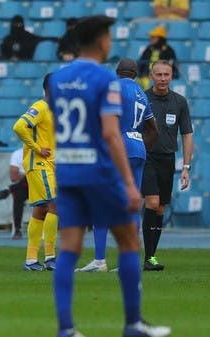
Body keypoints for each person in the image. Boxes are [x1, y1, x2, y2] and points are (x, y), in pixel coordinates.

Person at [48, 15, 170, 337]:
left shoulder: (58, 79)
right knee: (129, 240)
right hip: (99, 170)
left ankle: (66, 329)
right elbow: (111, 133)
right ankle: (133, 324)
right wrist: (129, 183)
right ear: (103, 41)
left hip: (68, 169)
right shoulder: (106, 81)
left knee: (69, 246)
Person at [76, 58, 159, 273]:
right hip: (138, 148)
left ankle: (99, 261)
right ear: (135, 72)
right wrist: (139, 145)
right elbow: (154, 130)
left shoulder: (114, 88)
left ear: (116, 72)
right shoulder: (142, 93)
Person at [142, 59, 193, 271]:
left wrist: (186, 167)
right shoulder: (143, 99)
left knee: (161, 208)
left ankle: (150, 257)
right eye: (159, 75)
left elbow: (187, 135)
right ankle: (147, 257)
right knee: (152, 203)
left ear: (172, 76)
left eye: (167, 75)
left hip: (168, 159)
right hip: (147, 158)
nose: (163, 79)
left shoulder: (179, 102)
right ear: (151, 76)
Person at [12, 73, 57, 271]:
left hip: (50, 166)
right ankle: (50, 257)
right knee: (56, 206)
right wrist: (37, 148)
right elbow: (19, 126)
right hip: (39, 164)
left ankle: (31, 260)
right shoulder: (41, 106)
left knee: (40, 210)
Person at [0, 148, 28, 240]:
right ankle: (18, 229)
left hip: (41, 186)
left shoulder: (43, 152)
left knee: (35, 175)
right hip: (24, 187)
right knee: (18, 195)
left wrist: (24, 174)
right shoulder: (18, 154)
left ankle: (8, 190)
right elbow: (13, 177)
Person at [137, 25, 179, 90]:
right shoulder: (148, 49)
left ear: (160, 38)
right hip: (146, 78)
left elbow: (174, 68)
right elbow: (141, 64)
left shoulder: (169, 50)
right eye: (151, 37)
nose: (151, 38)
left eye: (153, 37)